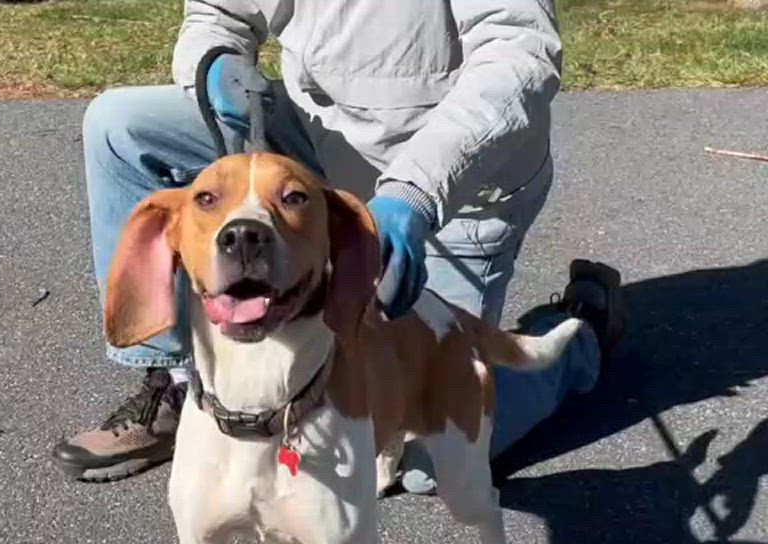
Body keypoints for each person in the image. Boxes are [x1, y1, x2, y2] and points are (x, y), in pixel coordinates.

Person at [53, 0, 627, 492]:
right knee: (120, 125)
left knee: (429, 457)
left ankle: (577, 340)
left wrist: (416, 192)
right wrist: (213, 60)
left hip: (457, 190)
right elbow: (219, 12)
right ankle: (182, 384)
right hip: (316, 148)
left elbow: (519, 54)